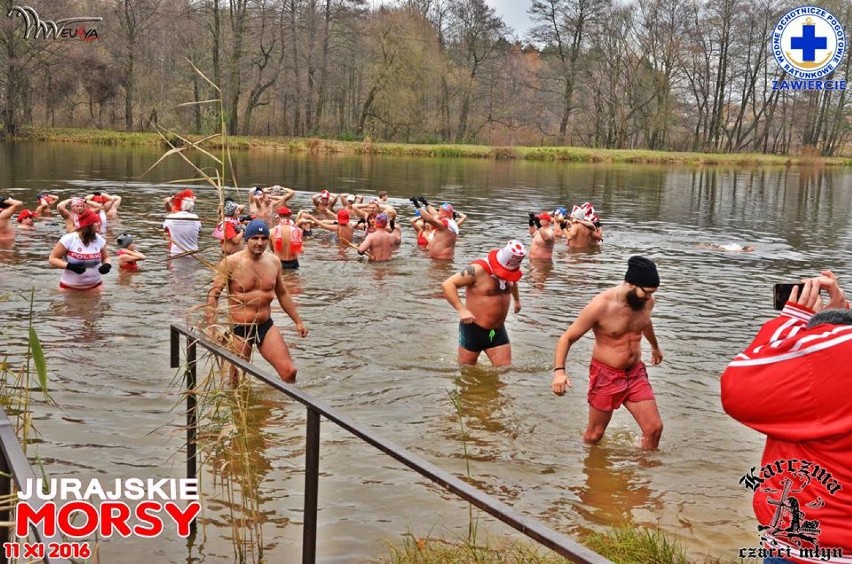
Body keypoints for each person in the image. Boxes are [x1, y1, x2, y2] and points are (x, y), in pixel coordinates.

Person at [721, 271, 852, 562]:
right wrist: (841, 323)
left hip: (810, 547)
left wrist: (794, 320)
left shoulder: (836, 351)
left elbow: (737, 389)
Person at [552, 256, 664, 450]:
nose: (649, 297)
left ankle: (644, 477)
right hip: (607, 376)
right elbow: (567, 338)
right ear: (630, 284)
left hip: (635, 374)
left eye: (652, 293)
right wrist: (559, 372)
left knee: (654, 429)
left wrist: (654, 346)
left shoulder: (646, 302)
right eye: (646, 293)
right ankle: (588, 466)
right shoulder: (601, 305)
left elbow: (644, 322)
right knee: (595, 435)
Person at [206, 219, 309, 383]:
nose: (259, 242)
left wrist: (298, 321)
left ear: (268, 240)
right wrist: (212, 326)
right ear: (246, 239)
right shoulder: (230, 262)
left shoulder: (274, 262)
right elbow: (213, 294)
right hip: (240, 328)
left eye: (264, 238)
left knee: (290, 372)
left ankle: (287, 406)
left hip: (265, 326)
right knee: (237, 382)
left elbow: (282, 293)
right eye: (255, 238)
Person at [441, 240, 526, 366]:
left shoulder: (510, 271)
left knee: (504, 371)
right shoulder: (476, 269)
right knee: (466, 373)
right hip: (474, 329)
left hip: (496, 331)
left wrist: (517, 300)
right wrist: (462, 310)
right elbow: (447, 284)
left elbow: (513, 280)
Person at [48, 208, 111, 290]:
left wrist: (107, 265)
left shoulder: (99, 239)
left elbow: (106, 257)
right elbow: (52, 259)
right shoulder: (69, 239)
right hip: (70, 288)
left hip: (96, 286)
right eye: (95, 222)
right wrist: (70, 266)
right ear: (87, 226)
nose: (99, 224)